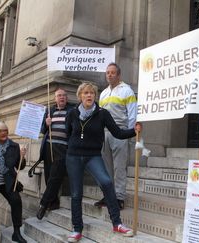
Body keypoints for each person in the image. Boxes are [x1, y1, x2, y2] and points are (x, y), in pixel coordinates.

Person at [65, 82, 141, 242]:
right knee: (76, 193)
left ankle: (117, 223)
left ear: (95, 96)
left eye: (91, 93)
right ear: (80, 96)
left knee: (106, 182)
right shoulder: (72, 113)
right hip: (73, 157)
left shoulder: (102, 113)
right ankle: (77, 228)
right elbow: (68, 133)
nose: (89, 95)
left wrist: (134, 131)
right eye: (85, 93)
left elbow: (118, 133)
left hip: (93, 155)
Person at [96, 62, 137, 209]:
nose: (109, 75)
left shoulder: (127, 91)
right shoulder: (103, 93)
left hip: (120, 131)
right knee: (106, 167)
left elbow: (132, 114)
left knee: (119, 167)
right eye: (107, 72)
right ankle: (108, 195)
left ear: (118, 74)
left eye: (112, 72)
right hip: (105, 133)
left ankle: (119, 197)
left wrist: (130, 134)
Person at [36, 88, 74, 219]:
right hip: (49, 146)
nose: (62, 97)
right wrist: (46, 125)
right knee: (48, 175)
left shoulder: (72, 110)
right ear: (55, 98)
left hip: (63, 147)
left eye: (64, 95)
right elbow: (41, 130)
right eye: (59, 96)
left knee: (55, 174)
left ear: (67, 98)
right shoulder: (49, 111)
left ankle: (43, 204)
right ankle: (53, 202)